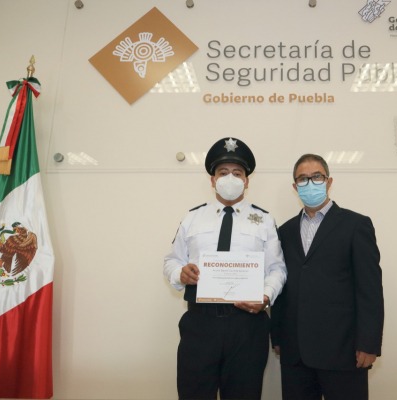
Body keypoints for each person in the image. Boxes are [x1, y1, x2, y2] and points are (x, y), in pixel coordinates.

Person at [163, 137, 287, 400]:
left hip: (247, 326)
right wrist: (179, 273)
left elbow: (278, 269)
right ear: (212, 179)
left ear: (246, 180)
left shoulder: (264, 220)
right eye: (223, 172)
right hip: (200, 323)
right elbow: (171, 261)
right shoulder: (193, 217)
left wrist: (265, 296)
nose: (230, 178)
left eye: (237, 173)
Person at [271, 153, 384, 400]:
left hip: (343, 352)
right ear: (295, 187)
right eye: (303, 179)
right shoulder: (284, 231)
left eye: (317, 177)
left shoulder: (356, 225)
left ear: (329, 182)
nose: (310, 183)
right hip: (295, 353)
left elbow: (370, 289)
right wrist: (277, 336)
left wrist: (369, 343)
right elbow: (281, 284)